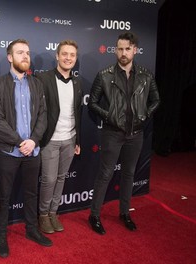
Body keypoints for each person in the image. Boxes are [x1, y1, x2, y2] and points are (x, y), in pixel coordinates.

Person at [88, 32, 160, 235]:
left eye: (127, 49)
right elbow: (92, 103)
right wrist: (109, 115)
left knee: (128, 174)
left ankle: (124, 213)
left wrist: (145, 114)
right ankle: (94, 215)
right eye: (119, 49)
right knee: (105, 175)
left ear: (135, 50)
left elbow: (156, 100)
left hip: (136, 134)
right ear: (115, 50)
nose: (123, 53)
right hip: (112, 133)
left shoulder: (146, 75)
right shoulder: (105, 74)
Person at [0, 39, 52, 258]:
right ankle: (1, 236)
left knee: (31, 193)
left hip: (33, 151)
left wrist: (33, 140)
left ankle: (32, 230)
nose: (25, 56)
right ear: (10, 57)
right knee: (4, 198)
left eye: (27, 52)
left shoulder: (36, 84)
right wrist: (19, 142)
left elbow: (43, 116)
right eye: (20, 53)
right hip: (8, 152)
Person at [35, 40, 83, 234]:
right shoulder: (44, 78)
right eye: (64, 54)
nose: (68, 58)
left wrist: (78, 140)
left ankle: (53, 212)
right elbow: (37, 111)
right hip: (50, 140)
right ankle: (43, 215)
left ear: (75, 58)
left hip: (70, 139)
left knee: (61, 177)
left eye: (72, 55)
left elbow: (78, 113)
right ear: (57, 56)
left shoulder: (78, 82)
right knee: (48, 179)